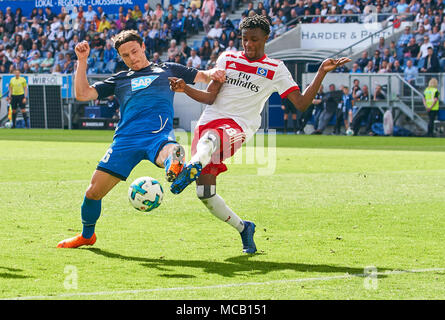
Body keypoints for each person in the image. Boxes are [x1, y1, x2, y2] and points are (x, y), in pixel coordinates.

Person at [168, 15, 350, 253]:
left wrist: (321, 72)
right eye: (244, 39)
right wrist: (185, 89)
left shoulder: (276, 69)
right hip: (207, 122)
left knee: (211, 138)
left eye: (254, 39)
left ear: (266, 38)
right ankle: (244, 228)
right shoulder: (227, 58)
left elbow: (302, 103)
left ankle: (190, 165)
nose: (248, 44)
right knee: (205, 194)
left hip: (238, 127)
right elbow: (210, 97)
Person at [57, 30, 225, 249]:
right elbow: (82, 94)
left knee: (170, 151)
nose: (132, 58)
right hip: (125, 141)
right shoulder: (120, 79)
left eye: (134, 51)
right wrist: (82, 61)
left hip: (157, 136)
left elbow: (203, 75)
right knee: (93, 192)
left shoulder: (167, 69)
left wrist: (215, 73)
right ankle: (87, 236)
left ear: (144, 47)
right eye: (125, 55)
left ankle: (175, 165)